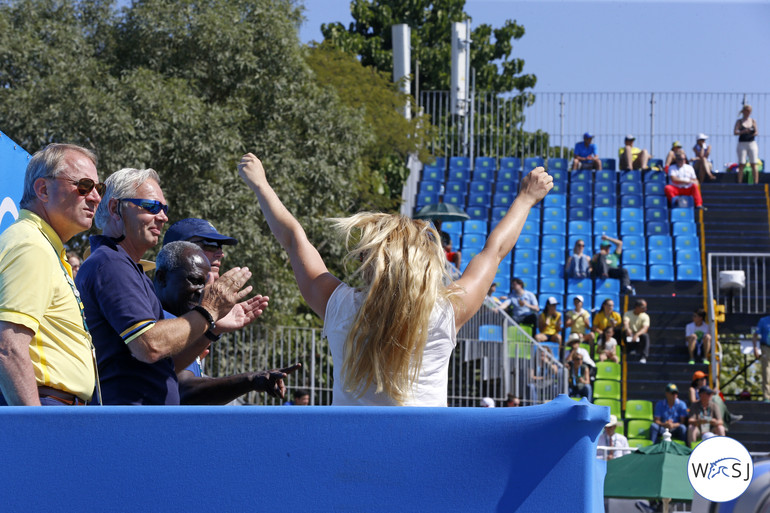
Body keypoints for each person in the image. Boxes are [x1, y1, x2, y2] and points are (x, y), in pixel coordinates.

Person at [237, 152, 552, 406]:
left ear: (368, 261)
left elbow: (293, 238)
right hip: (423, 457)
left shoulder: (340, 305)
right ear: (424, 263)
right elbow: (494, 251)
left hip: (348, 459)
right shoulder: (445, 312)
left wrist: (261, 185)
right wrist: (526, 197)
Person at [76, 168, 254, 405]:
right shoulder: (111, 264)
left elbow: (167, 366)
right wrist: (208, 311)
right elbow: (150, 345)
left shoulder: (126, 265)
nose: (163, 217)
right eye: (151, 206)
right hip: (128, 425)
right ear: (114, 209)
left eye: (164, 208)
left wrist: (212, 328)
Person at [0, 143, 104, 406]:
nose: (95, 197)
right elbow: (8, 347)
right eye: (83, 186)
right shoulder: (31, 245)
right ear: (43, 190)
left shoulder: (43, 246)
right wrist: (36, 429)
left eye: (98, 188)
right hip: (46, 407)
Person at [153, 241, 299, 404]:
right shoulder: (160, 320)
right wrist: (252, 380)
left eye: (206, 282)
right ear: (162, 278)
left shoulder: (187, 322)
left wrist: (211, 330)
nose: (202, 291)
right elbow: (184, 389)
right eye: (194, 280)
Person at [163, 217, 238, 279]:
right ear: (176, 252)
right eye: (211, 245)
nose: (221, 254)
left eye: (220, 246)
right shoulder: (153, 296)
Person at [734, 104, 760, 185]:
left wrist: (752, 132)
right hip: (742, 143)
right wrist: (743, 132)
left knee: (753, 163)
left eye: (749, 111)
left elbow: (756, 132)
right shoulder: (739, 121)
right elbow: (735, 132)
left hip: (751, 143)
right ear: (743, 111)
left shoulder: (753, 121)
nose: (747, 112)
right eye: (746, 110)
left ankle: (756, 182)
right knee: (742, 163)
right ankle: (740, 182)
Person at [622, 299, 650, 364]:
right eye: (643, 307)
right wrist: (628, 329)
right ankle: (629, 349)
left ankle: (644, 356)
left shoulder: (645, 316)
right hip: (630, 335)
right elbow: (626, 323)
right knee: (624, 332)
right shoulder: (628, 314)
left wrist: (637, 335)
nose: (645, 309)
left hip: (639, 336)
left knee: (645, 335)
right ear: (637, 307)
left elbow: (645, 328)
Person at [752, 312, 770, 402]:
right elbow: (755, 335)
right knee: (766, 372)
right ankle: (767, 396)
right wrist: (755, 348)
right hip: (766, 347)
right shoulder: (763, 320)